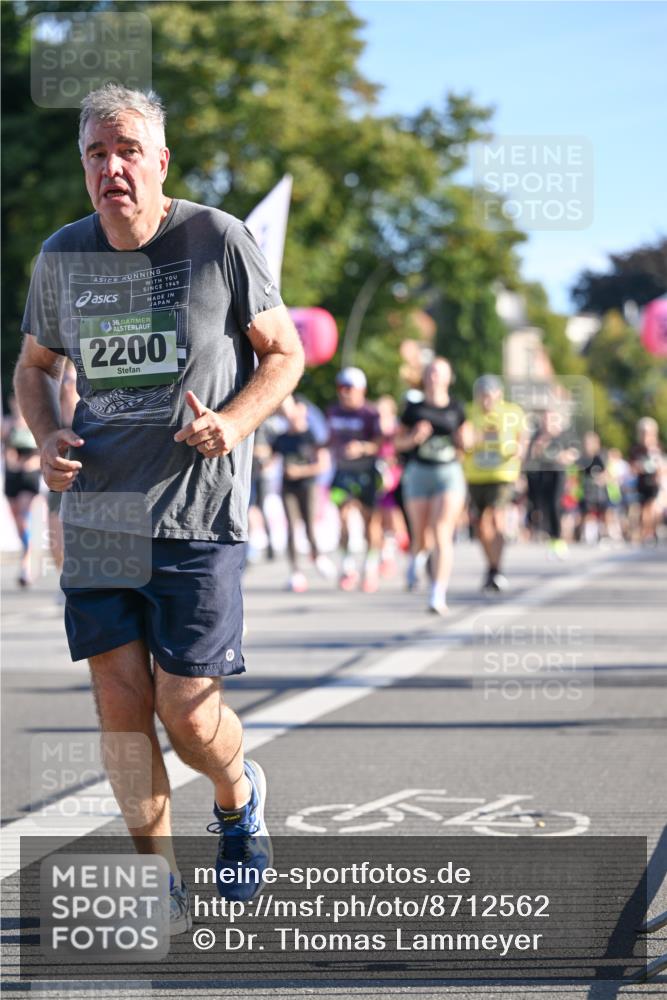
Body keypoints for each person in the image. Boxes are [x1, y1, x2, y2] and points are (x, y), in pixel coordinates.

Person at [13, 85, 304, 932]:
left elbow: (282, 354)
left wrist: (235, 421)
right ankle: (158, 879)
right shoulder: (62, 256)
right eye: (97, 154)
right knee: (118, 704)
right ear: (84, 168)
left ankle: (237, 793)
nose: (113, 168)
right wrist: (46, 435)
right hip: (100, 514)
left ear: (160, 160)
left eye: (128, 150)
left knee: (184, 710)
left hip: (195, 511)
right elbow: (34, 366)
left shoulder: (218, 238)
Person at [395, 357, 468, 615]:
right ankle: (416, 557)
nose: (435, 377)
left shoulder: (457, 408)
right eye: (431, 372)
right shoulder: (413, 409)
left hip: (448, 472)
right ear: (425, 377)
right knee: (421, 534)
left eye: (440, 372)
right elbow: (397, 443)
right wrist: (413, 438)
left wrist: (464, 440)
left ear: (449, 378)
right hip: (418, 473)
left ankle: (438, 593)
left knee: (441, 531)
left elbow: (467, 441)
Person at [463, 375, 526, 592]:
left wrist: (519, 450)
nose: (486, 401)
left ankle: (495, 569)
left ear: (498, 394)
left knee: (494, 519)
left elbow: (521, 438)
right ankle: (493, 567)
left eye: (489, 396)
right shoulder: (470, 412)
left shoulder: (512, 412)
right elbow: (463, 441)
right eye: (482, 396)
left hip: (502, 474)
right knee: (481, 528)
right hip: (476, 475)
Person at [326, 367, 383, 592]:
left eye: (349, 388)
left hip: (366, 473)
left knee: (370, 523)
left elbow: (381, 445)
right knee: (343, 517)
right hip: (342, 473)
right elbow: (329, 439)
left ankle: (370, 568)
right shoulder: (333, 412)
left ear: (361, 390)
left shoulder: (370, 413)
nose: (344, 393)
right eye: (341, 387)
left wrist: (361, 447)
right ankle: (348, 568)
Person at [271, 398, 333, 591]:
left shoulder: (311, 436)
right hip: (288, 487)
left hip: (308, 486)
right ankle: (295, 572)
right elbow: (271, 459)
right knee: (290, 527)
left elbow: (323, 464)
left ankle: (318, 554)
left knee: (309, 526)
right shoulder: (281, 438)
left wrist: (301, 471)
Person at [524, 410, 578, 558]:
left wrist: (562, 456)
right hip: (541, 474)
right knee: (544, 507)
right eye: (545, 420)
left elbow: (573, 454)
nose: (547, 423)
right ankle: (552, 539)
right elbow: (529, 456)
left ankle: (559, 540)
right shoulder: (537, 436)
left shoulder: (563, 436)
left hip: (557, 473)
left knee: (555, 504)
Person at [2, 397, 42, 587]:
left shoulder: (35, 422)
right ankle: (27, 552)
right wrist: (12, 462)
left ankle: (27, 564)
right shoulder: (8, 423)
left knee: (25, 519)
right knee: (18, 523)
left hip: (29, 475)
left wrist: (29, 464)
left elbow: (41, 450)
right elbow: (7, 448)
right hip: (12, 475)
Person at [629, 417, 664, 544]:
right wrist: (640, 467)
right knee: (644, 508)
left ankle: (653, 531)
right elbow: (632, 467)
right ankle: (646, 532)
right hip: (642, 482)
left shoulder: (657, 447)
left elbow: (661, 466)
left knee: (653, 507)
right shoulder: (636, 449)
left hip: (654, 482)